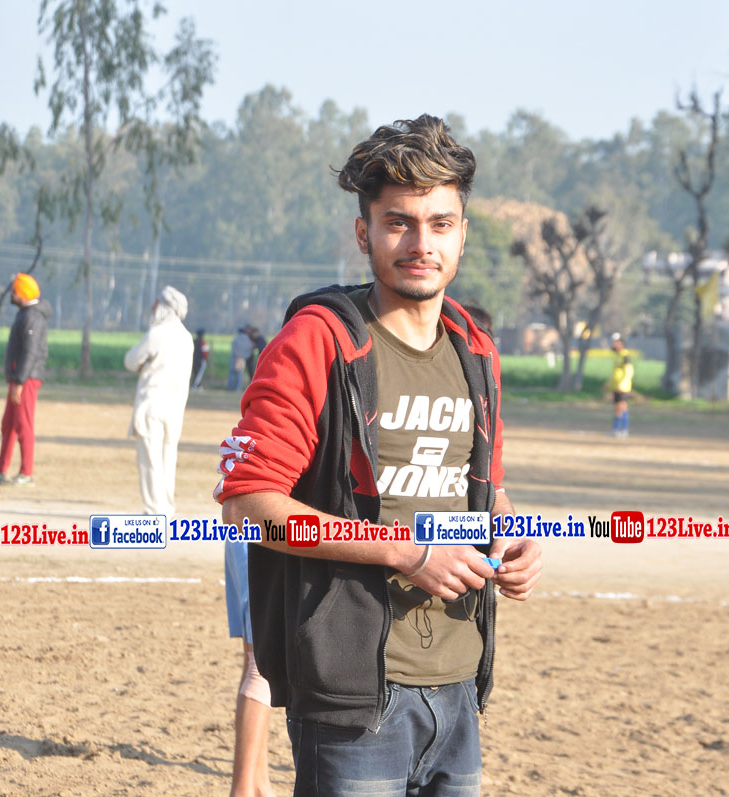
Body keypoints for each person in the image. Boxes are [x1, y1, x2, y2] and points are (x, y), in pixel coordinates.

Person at [216, 115, 543, 795]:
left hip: (459, 683)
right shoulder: (316, 342)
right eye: (399, 223)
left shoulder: (475, 350)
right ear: (364, 232)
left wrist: (513, 532)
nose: (421, 244)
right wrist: (407, 553)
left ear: (462, 232)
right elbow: (249, 505)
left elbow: (487, 490)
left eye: (440, 223)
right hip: (351, 693)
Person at [123, 286, 193, 517]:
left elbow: (130, 361)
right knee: (167, 458)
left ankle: (154, 509)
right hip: (176, 408)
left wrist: (144, 365)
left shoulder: (157, 333)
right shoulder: (186, 337)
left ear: (165, 307)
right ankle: (167, 507)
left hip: (152, 404)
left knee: (150, 459)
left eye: (156, 303)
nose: (152, 308)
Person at [0, 273, 51, 487]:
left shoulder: (32, 317)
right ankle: (0, 470)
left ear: (23, 293)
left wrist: (19, 382)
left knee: (23, 424)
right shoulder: (26, 314)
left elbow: (30, 352)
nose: (11, 294)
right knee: (9, 424)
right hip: (19, 378)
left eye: (14, 291)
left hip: (26, 379)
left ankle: (26, 473)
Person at [224, 540, 274, 797]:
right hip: (259, 541)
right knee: (260, 669)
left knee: (256, 664)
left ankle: (259, 784)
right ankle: (243, 789)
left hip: (248, 538)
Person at [607, 333, 633, 437]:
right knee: (620, 408)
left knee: (620, 408)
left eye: (616, 342)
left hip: (623, 387)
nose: (614, 344)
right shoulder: (617, 355)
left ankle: (620, 429)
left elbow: (629, 371)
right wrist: (610, 383)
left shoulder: (625, 355)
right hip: (617, 386)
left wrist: (622, 384)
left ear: (621, 343)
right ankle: (621, 429)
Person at [227, 326, 254, 391]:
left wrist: (237, 355)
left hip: (235, 358)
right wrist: (244, 356)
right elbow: (250, 351)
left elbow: (233, 348)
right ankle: (238, 388)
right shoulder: (248, 340)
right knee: (240, 374)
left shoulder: (236, 338)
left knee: (232, 373)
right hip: (242, 359)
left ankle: (230, 388)